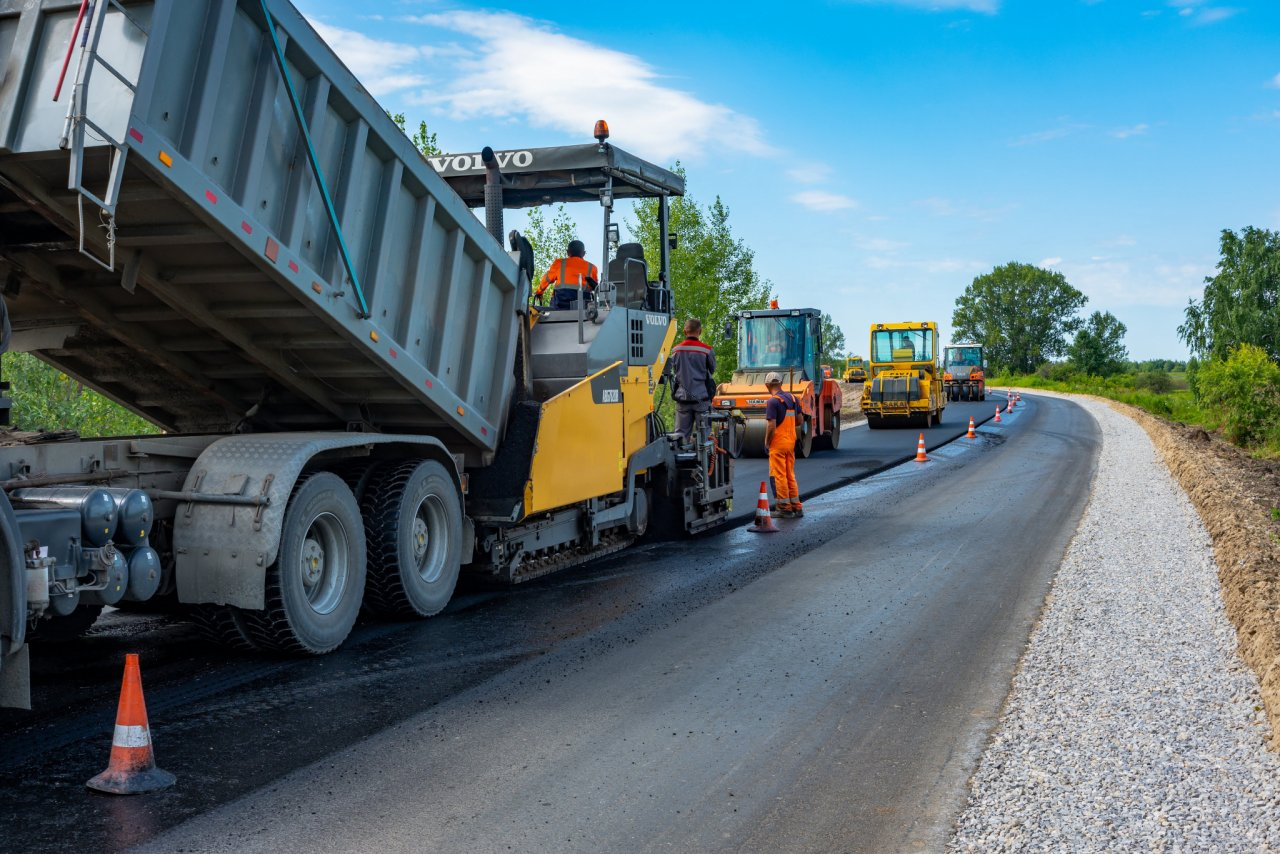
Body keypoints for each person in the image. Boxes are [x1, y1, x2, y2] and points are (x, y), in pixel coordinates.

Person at [669, 318, 717, 440]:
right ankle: (703, 459)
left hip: (682, 399)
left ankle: (682, 458)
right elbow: (711, 370)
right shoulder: (707, 350)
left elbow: (674, 371)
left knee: (680, 437)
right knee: (704, 436)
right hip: (702, 399)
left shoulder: (676, 350)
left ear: (685, 332)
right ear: (699, 331)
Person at [764, 371, 803, 518]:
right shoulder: (793, 398)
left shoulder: (773, 402)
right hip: (790, 442)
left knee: (778, 475)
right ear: (781, 383)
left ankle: (784, 508)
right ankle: (797, 507)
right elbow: (799, 421)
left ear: (767, 385)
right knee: (789, 474)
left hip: (778, 444)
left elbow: (771, 426)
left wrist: (767, 443)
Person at [535, 240, 599, 310]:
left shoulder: (560, 263)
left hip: (561, 301)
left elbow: (546, 279)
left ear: (568, 252)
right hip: (583, 304)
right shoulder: (592, 267)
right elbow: (596, 288)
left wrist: (539, 292)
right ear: (583, 253)